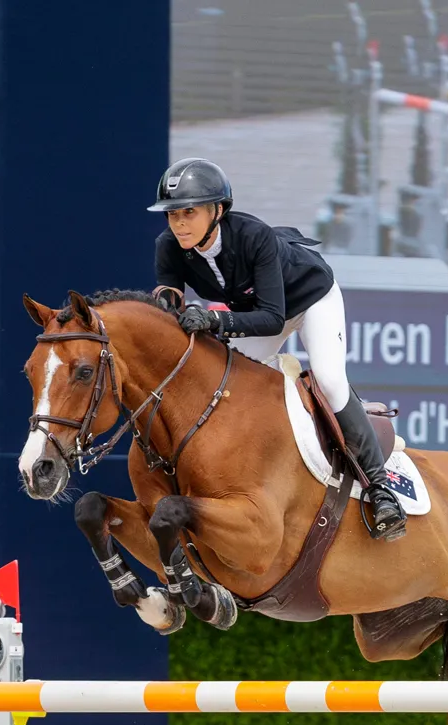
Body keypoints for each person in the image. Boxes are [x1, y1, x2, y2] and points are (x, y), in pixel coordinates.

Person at [149, 157, 406, 540]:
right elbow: (170, 292)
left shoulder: (253, 237)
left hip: (310, 299)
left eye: (189, 212)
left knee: (331, 381)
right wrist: (168, 309)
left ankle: (380, 488)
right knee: (230, 382)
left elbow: (272, 318)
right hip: (260, 311)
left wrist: (215, 321)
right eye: (172, 215)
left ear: (217, 210)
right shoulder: (168, 245)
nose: (179, 223)